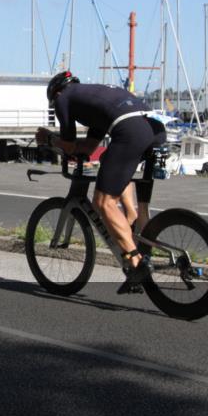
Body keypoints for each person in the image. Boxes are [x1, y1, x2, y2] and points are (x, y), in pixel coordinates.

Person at [36, 71, 167, 294]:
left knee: (103, 202)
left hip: (131, 130)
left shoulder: (63, 98)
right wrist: (73, 148)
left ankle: (136, 262)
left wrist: (47, 138)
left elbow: (67, 146)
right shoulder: (93, 99)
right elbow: (87, 147)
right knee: (110, 160)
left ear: (56, 92)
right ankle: (136, 218)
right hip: (154, 128)